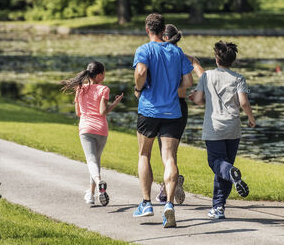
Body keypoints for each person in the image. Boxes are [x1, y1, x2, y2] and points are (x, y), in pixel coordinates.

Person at [132, 13, 194, 228]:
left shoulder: (145, 49)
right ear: (162, 30)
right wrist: (170, 89)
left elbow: (140, 71)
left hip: (149, 110)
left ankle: (147, 203)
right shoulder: (177, 52)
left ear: (148, 29)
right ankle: (169, 204)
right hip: (173, 112)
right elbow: (188, 80)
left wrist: (139, 88)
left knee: (144, 154)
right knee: (169, 157)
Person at [190, 41, 256, 219]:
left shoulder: (207, 76)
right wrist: (251, 117)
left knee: (217, 163)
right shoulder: (238, 78)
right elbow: (243, 102)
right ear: (232, 60)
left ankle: (226, 188)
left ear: (216, 58)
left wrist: (197, 98)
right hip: (233, 128)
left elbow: (197, 99)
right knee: (224, 164)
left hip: (214, 128)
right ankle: (219, 207)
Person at [60, 61, 123, 206]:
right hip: (101, 130)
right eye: (104, 73)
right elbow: (102, 112)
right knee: (95, 161)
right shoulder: (104, 89)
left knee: (91, 160)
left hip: (86, 129)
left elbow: (78, 113)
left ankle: (97, 183)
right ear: (100, 75)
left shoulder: (79, 89)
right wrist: (115, 103)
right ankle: (91, 194)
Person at [155, 24, 205, 205]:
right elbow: (204, 77)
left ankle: (167, 185)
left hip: (169, 105)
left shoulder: (163, 58)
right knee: (169, 151)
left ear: (165, 38)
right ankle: (172, 182)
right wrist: (199, 95)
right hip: (179, 106)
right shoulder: (187, 58)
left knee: (166, 150)